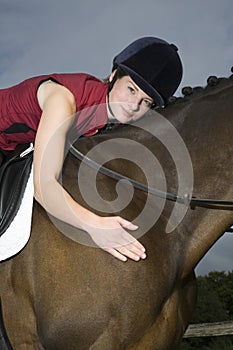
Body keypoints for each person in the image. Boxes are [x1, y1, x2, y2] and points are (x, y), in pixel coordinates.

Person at [0, 36, 183, 262]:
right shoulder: (63, 101)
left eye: (147, 102)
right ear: (114, 75)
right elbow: (44, 188)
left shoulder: (104, 121)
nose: (134, 106)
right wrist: (96, 226)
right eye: (131, 90)